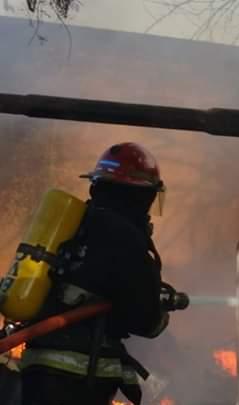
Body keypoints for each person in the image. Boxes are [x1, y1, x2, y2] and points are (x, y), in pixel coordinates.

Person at [19, 143, 170, 405]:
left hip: (37, 363)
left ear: (96, 187)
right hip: (81, 376)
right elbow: (144, 320)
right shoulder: (127, 238)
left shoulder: (72, 223)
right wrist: (161, 312)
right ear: (142, 196)